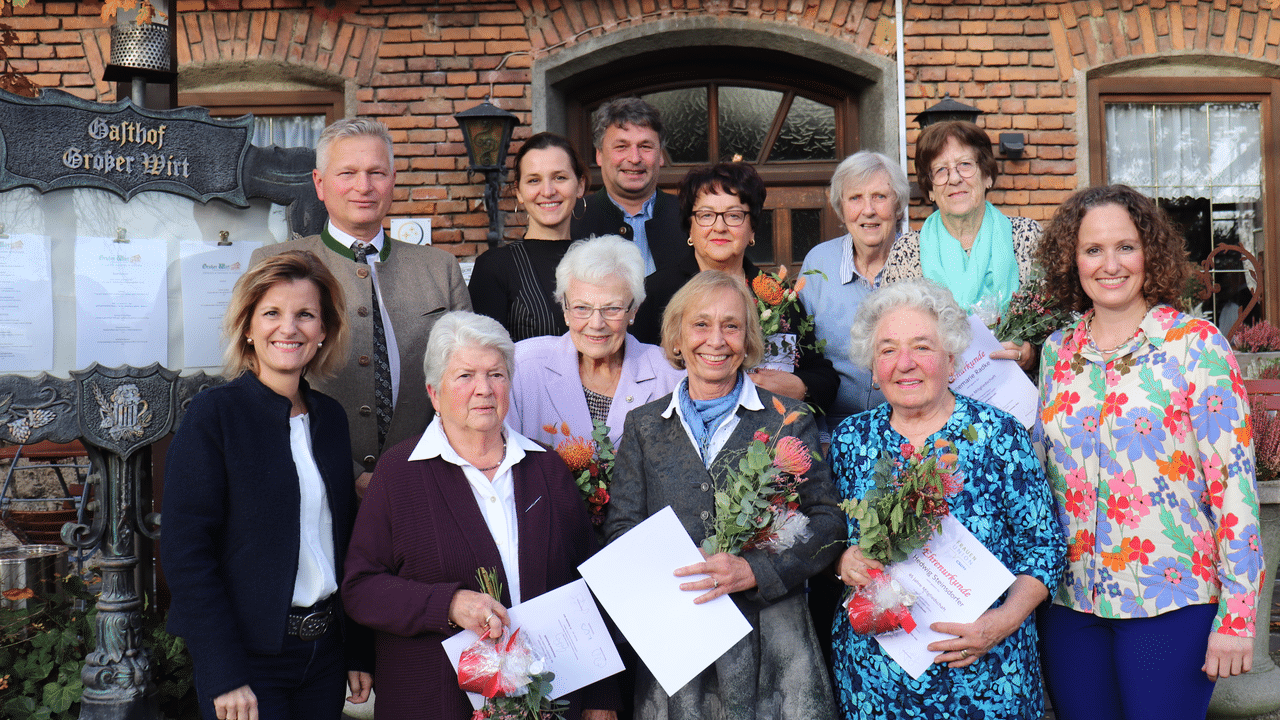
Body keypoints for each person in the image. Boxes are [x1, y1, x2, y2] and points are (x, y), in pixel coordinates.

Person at [1034, 185, 1265, 720]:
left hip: (1172, 599)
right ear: (1072, 259)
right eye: (1093, 250)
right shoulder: (1056, 353)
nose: (1110, 264)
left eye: (1125, 247)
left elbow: (1234, 484)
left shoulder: (1196, 344)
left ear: (1150, 253)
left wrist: (1237, 616)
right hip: (1072, 606)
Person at [341, 311, 618, 720]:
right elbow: (361, 589)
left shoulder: (547, 469)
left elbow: (589, 588)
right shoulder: (399, 473)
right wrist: (447, 603)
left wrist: (602, 698)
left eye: (497, 374)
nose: (484, 390)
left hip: (548, 703)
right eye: (465, 376)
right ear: (434, 393)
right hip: (434, 704)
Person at [605, 270, 845, 719]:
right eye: (700, 324)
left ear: (749, 338)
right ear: (677, 336)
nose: (716, 340)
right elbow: (622, 529)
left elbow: (829, 524)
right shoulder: (643, 425)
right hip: (680, 645)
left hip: (774, 640)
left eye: (731, 326)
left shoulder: (786, 420)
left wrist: (756, 570)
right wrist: (665, 567)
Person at [828, 278, 1064, 719]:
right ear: (873, 367)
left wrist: (1002, 623)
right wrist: (843, 561)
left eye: (922, 347)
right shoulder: (849, 441)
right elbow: (826, 538)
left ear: (951, 360)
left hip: (987, 676)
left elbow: (1045, 550)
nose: (905, 364)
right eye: (887, 350)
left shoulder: (998, 434)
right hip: (876, 684)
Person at [162, 250, 372, 720]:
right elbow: (186, 552)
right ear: (249, 328)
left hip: (325, 657)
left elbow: (348, 544)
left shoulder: (331, 421)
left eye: (305, 315)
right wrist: (223, 672)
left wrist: (359, 649)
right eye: (272, 313)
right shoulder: (213, 418)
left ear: (324, 332)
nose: (289, 328)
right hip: (249, 663)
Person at [250, 117, 471, 497]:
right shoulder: (276, 264)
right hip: (312, 484)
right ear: (319, 184)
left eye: (376, 173)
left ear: (393, 180)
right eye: (347, 173)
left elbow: (468, 377)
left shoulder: (440, 268)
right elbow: (253, 383)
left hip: (427, 483)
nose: (363, 186)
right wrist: (347, 472)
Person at [632, 162, 839, 414]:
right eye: (706, 215)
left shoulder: (778, 296)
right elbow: (633, 373)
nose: (719, 227)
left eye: (734, 215)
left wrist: (799, 387)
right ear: (690, 226)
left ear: (752, 228)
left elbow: (825, 378)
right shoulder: (658, 291)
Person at [882, 120, 1039, 371]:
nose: (954, 178)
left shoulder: (1028, 237)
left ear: (987, 175)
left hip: (1017, 394)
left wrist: (1032, 355)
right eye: (941, 170)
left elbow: (1060, 330)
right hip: (936, 399)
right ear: (930, 189)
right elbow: (888, 336)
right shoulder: (907, 252)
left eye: (965, 165)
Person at [510, 235, 685, 448]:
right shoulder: (522, 367)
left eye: (612, 308)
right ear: (565, 308)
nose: (596, 323)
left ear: (634, 311)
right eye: (582, 308)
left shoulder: (670, 376)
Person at [799, 150, 910, 430]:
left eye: (880, 197)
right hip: (834, 428)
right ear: (841, 208)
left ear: (898, 206)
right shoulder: (819, 263)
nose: (868, 210)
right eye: (855, 198)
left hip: (910, 426)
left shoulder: (920, 258)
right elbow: (801, 360)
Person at [469, 132, 589, 342]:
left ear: (579, 186)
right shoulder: (494, 267)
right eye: (534, 180)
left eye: (559, 177)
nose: (548, 191)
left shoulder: (602, 261)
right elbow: (483, 357)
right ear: (519, 193)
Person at [570, 97, 685, 276]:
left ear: (661, 156)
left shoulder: (690, 216)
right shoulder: (573, 218)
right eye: (621, 146)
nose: (634, 158)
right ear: (599, 155)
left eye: (645, 146)